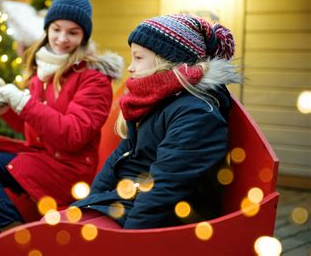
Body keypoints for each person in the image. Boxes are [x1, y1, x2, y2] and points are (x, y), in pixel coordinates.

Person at [0, 0, 123, 245]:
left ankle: (11, 237)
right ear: (47, 29)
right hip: (42, 160)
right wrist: (8, 107)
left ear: (84, 36)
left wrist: (22, 102)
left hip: (69, 171)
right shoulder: (42, 71)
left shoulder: (93, 79)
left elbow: (73, 135)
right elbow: (32, 128)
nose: (62, 39)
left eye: (73, 32)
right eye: (57, 29)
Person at [71, 14, 242, 229]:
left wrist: (129, 241)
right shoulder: (153, 101)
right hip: (128, 202)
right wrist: (85, 205)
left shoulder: (197, 115)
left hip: (169, 222)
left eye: (139, 58)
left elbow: (166, 188)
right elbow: (119, 161)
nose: (130, 68)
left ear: (167, 60)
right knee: (56, 228)